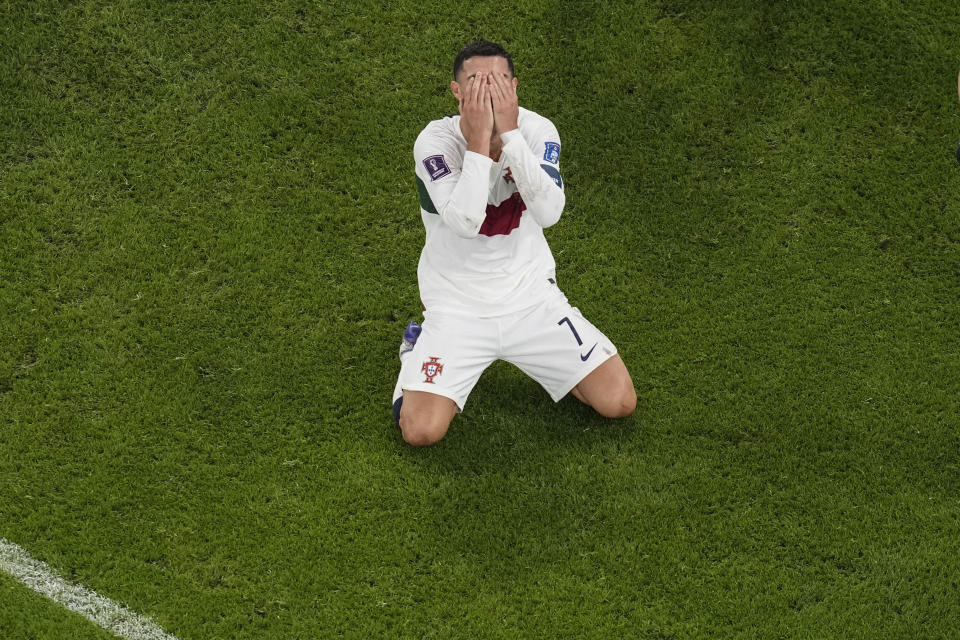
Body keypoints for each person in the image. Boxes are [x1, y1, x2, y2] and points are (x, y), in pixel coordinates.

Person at [391, 40, 636, 446]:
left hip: (532, 299)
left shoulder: (538, 132)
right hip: (457, 306)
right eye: (475, 83)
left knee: (619, 403)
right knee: (420, 431)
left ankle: (556, 368)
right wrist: (479, 143)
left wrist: (510, 136)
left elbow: (550, 212)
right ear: (456, 92)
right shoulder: (434, 143)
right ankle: (412, 354)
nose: (488, 93)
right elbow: (466, 222)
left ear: (515, 88)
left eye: (499, 83)